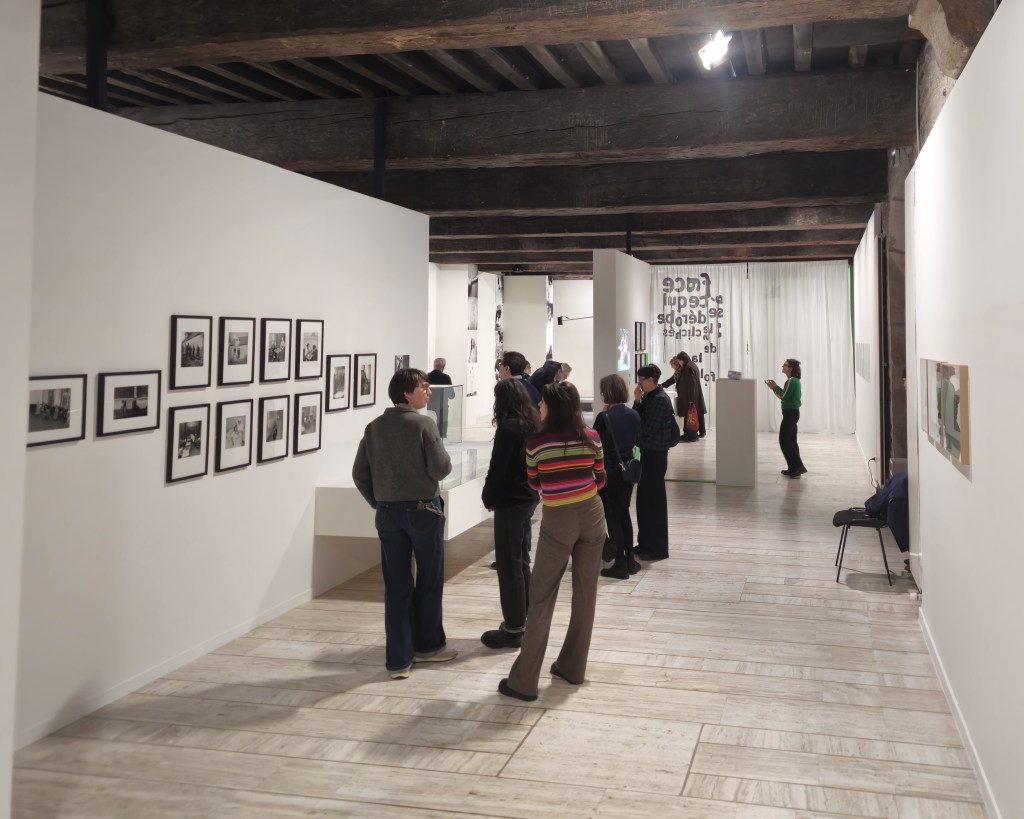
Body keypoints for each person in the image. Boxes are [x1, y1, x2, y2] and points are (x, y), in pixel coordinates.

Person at [498, 381, 606, 701]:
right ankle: (573, 667)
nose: (539, 406)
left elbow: (535, 484)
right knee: (586, 594)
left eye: (543, 402)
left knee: (542, 596)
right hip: (592, 515)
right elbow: (600, 477)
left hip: (558, 518)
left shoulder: (536, 443)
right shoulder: (591, 437)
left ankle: (524, 682)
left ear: (552, 407)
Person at [352, 368, 456, 679]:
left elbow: (359, 474)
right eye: (423, 387)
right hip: (423, 511)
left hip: (387, 513)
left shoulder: (374, 427)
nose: (429, 392)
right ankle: (428, 647)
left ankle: (398, 660)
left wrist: (379, 502)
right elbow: (440, 469)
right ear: (406, 392)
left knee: (396, 586)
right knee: (429, 580)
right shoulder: (424, 424)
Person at [480, 379, 540, 649]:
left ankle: (515, 627)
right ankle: (526, 618)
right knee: (521, 560)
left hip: (511, 500)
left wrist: (487, 497)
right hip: (528, 496)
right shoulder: (531, 423)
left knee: (509, 564)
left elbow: (498, 469)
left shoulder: (509, 428)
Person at [593, 374, 642, 579]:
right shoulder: (634, 415)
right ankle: (630, 560)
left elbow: (594, 443)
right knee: (624, 514)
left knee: (612, 517)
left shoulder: (603, 418)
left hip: (609, 472)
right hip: (628, 472)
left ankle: (619, 563)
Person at [632, 364, 676, 561]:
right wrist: (637, 401)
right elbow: (638, 420)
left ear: (651, 380)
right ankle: (645, 543)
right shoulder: (650, 397)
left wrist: (634, 439)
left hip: (656, 456)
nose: (639, 384)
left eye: (641, 380)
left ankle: (657, 548)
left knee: (654, 503)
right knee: (644, 501)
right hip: (649, 454)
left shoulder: (659, 400)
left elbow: (645, 429)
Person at [766, 358, 807, 478]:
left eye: (785, 365)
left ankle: (797, 468)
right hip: (791, 413)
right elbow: (786, 394)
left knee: (785, 440)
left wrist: (774, 388)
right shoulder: (792, 380)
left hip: (790, 414)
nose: (782, 366)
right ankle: (794, 468)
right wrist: (775, 387)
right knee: (791, 441)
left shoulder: (792, 381)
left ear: (790, 368)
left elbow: (783, 396)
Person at [676, 350, 707, 441]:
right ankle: (701, 431)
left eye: (679, 361)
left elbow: (692, 384)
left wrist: (691, 400)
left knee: (690, 415)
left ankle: (690, 434)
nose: (679, 363)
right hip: (695, 395)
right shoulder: (692, 365)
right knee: (697, 413)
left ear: (682, 360)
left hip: (690, 396)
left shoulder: (688, 367)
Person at [426, 357, 454, 438]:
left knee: (430, 426)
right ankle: (442, 440)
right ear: (443, 366)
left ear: (434, 365)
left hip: (429, 406)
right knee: (442, 429)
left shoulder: (426, 376)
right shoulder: (446, 377)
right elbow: (451, 395)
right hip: (442, 406)